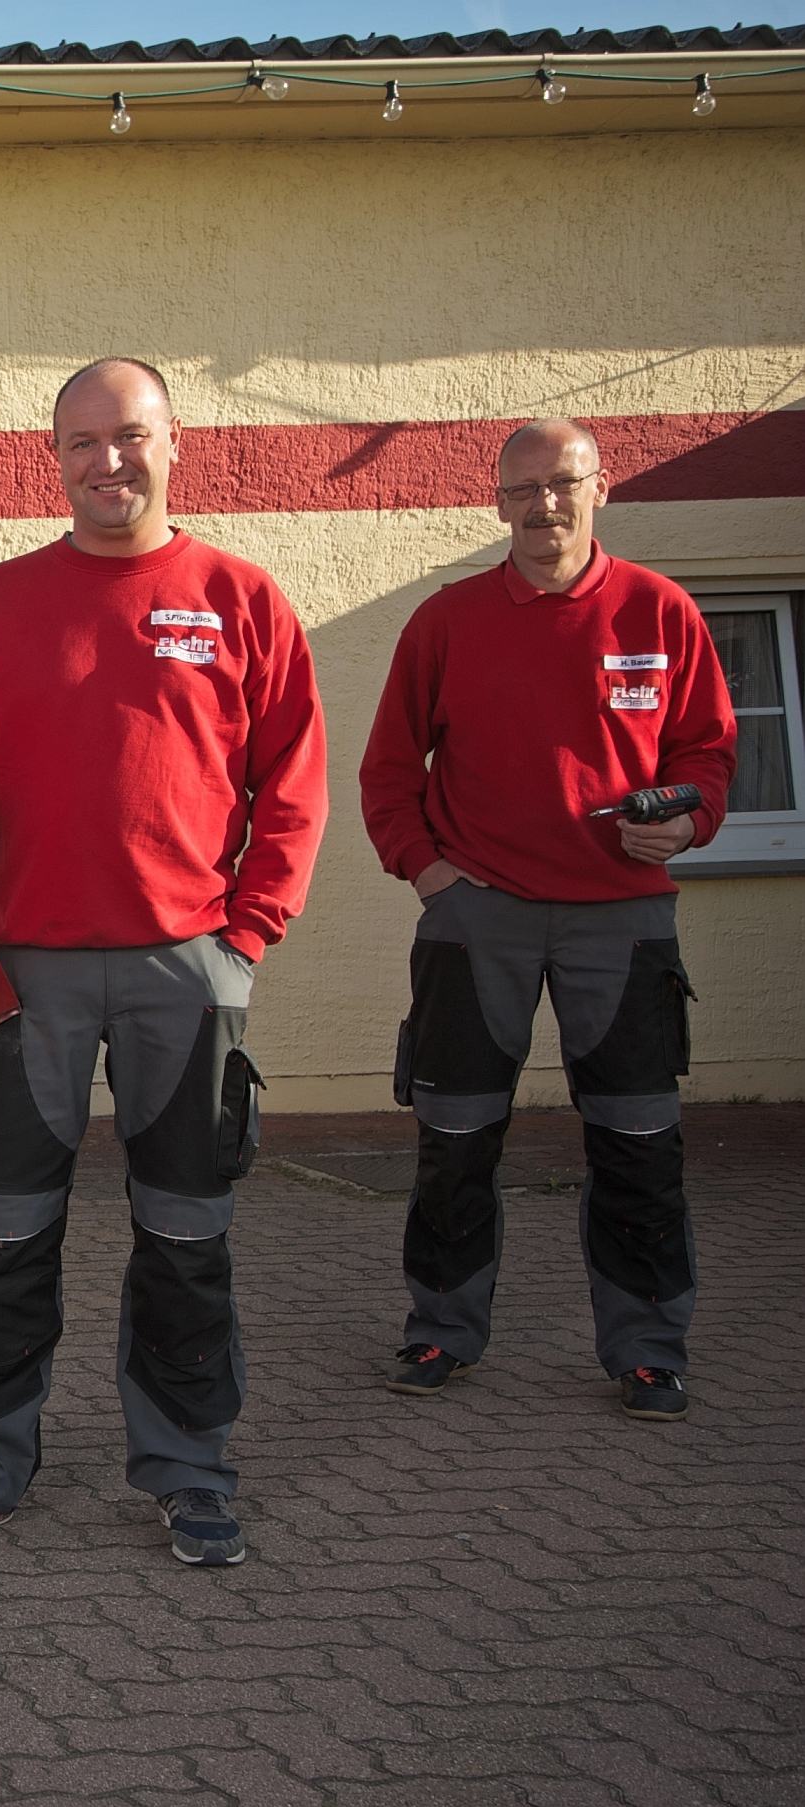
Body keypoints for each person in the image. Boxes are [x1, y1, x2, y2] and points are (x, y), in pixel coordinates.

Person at [0, 357, 327, 1569]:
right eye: (82, 441)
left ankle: (188, 1468)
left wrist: (246, 940)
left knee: (186, 1232)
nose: (107, 461)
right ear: (57, 456)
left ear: (175, 443)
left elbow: (292, 783)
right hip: (24, 974)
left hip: (187, 974)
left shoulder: (240, 596)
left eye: (128, 436)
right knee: (4, 1227)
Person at [357, 417, 736, 1421]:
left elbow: (708, 757)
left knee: (639, 1141)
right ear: (498, 504)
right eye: (521, 490)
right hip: (478, 917)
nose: (543, 506)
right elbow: (390, 770)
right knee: (454, 1136)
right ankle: (440, 1328)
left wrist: (689, 818)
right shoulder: (447, 622)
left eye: (561, 484)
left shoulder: (661, 612)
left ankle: (650, 1349)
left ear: (599, 489)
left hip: (625, 922)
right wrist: (431, 872)